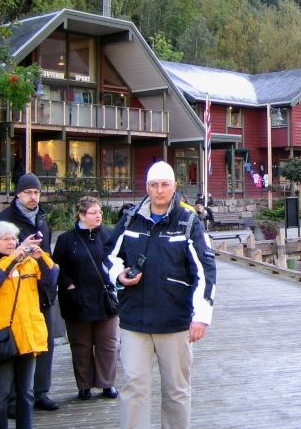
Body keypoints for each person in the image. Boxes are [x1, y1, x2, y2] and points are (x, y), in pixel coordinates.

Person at [107, 161, 217, 429]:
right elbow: (108, 256)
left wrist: (201, 317)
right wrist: (118, 275)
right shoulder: (130, 219)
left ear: (174, 187)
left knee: (176, 391)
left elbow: (206, 271)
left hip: (175, 321)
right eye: (154, 185)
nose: (159, 191)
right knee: (134, 388)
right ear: (146, 187)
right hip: (135, 320)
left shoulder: (188, 222)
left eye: (165, 185)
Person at [0, 221, 58, 429]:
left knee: (26, 393)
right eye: (6, 239)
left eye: (14, 238)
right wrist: (12, 258)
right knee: (0, 393)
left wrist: (40, 256)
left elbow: (52, 278)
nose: (12, 242)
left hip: (28, 336)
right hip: (3, 338)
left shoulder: (27, 263)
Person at [0, 173, 60, 415]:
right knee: (16, 345)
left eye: (37, 192)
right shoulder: (4, 220)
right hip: (15, 292)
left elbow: (48, 251)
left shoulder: (41, 217)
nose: (33, 197)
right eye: (29, 192)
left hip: (41, 289)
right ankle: (13, 400)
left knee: (44, 342)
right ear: (18, 193)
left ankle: (41, 392)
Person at [53, 196, 118, 401]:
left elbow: (118, 260)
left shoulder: (108, 235)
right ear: (81, 215)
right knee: (81, 345)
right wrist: (69, 286)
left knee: (107, 343)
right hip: (77, 299)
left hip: (103, 297)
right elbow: (57, 267)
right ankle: (84, 385)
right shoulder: (66, 239)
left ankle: (107, 384)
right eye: (93, 213)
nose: (98, 216)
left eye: (100, 212)